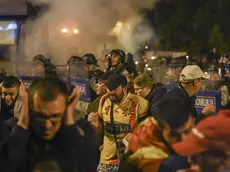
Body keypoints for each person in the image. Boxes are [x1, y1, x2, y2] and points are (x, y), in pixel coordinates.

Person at [0, 77, 98, 172]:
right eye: (40, 116)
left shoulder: (82, 129)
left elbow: (86, 166)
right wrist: (22, 122)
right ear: (31, 109)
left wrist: (69, 128)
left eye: (55, 116)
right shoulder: (13, 130)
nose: (47, 125)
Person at [88, 72, 149, 172]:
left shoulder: (139, 103)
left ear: (124, 88)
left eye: (114, 89)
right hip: (106, 161)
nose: (111, 92)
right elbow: (100, 128)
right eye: (109, 88)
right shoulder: (103, 100)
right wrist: (96, 126)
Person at [118, 98, 195, 172]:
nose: (184, 139)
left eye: (188, 130)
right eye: (174, 135)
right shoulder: (151, 160)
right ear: (161, 128)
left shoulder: (151, 124)